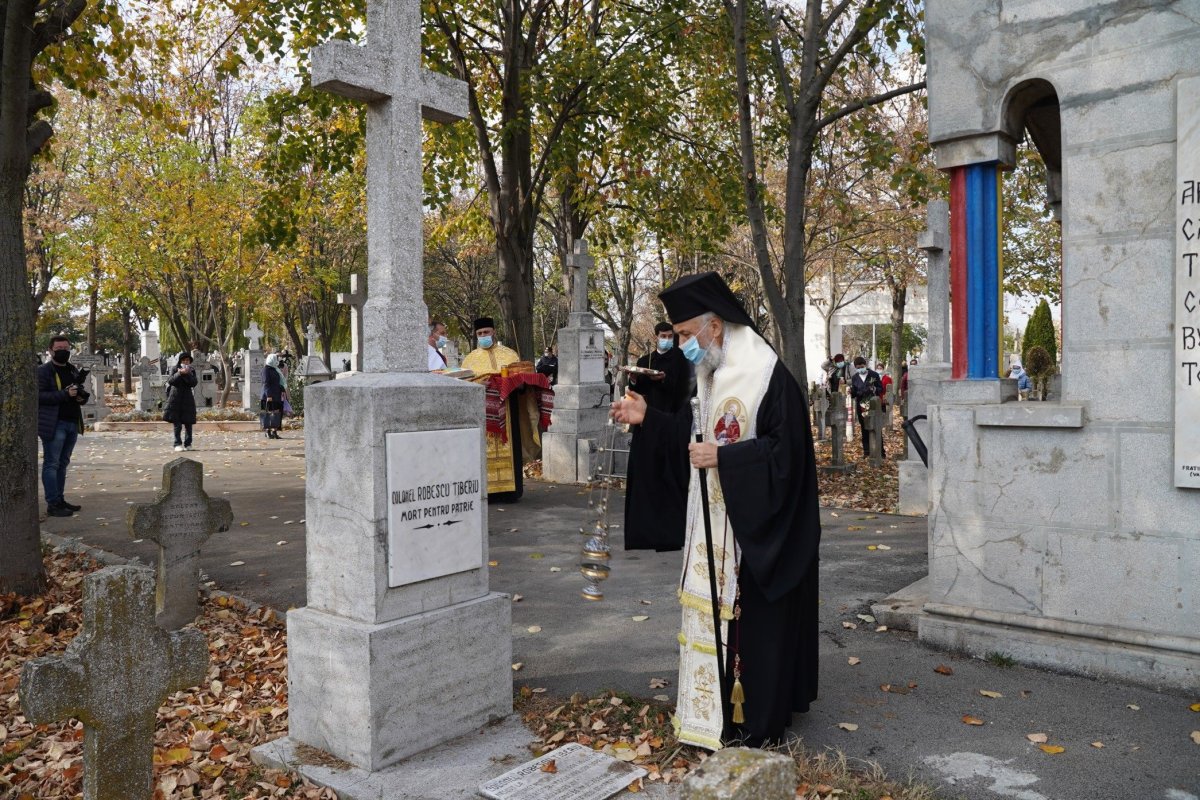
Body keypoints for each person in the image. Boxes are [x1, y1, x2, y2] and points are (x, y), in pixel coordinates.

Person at [611, 272, 820, 750]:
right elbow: (694, 433)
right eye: (678, 334)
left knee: (753, 627)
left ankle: (754, 719)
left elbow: (785, 457)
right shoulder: (713, 373)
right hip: (717, 531)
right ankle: (712, 711)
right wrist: (649, 419)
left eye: (685, 334)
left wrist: (726, 459)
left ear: (716, 327)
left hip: (756, 536)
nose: (681, 344)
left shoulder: (767, 376)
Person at [623, 322, 691, 552]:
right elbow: (636, 388)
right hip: (646, 424)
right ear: (655, 337)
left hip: (670, 423)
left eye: (669, 336)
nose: (666, 339)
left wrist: (663, 379)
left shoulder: (681, 360)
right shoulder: (645, 361)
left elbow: (683, 389)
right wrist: (633, 378)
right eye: (663, 336)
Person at [37, 335, 87, 518]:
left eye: (66, 348)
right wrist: (64, 394)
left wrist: (81, 396)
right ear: (50, 351)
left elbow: (78, 393)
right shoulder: (43, 371)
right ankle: (53, 503)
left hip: (72, 422)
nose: (63, 352)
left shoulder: (72, 369)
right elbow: (39, 396)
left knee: (63, 463)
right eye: (59, 349)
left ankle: (60, 498)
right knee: (52, 463)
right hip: (54, 423)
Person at [850, 356, 885, 458]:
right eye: (858, 367)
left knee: (875, 427)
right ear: (856, 367)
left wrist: (873, 388)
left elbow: (880, 388)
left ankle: (880, 452)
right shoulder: (855, 377)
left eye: (862, 366)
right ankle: (867, 451)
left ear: (865, 365)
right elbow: (854, 393)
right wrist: (851, 391)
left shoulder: (873, 375)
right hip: (861, 405)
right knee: (864, 428)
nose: (861, 368)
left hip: (873, 404)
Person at [163, 351, 199, 452]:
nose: (186, 362)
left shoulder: (191, 370)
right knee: (177, 423)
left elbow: (194, 383)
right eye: (184, 360)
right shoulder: (174, 368)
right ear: (180, 361)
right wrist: (179, 373)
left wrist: (187, 374)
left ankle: (188, 444)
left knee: (188, 423)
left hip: (187, 398)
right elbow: (171, 380)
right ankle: (177, 443)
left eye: (187, 360)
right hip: (176, 397)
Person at [262, 352, 286, 440]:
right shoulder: (266, 370)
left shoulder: (276, 369)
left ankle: (274, 431)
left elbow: (279, 382)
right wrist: (268, 395)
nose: (277, 360)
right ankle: (267, 431)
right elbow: (266, 383)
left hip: (277, 394)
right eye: (275, 359)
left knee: (277, 413)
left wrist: (282, 390)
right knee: (269, 413)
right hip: (269, 395)